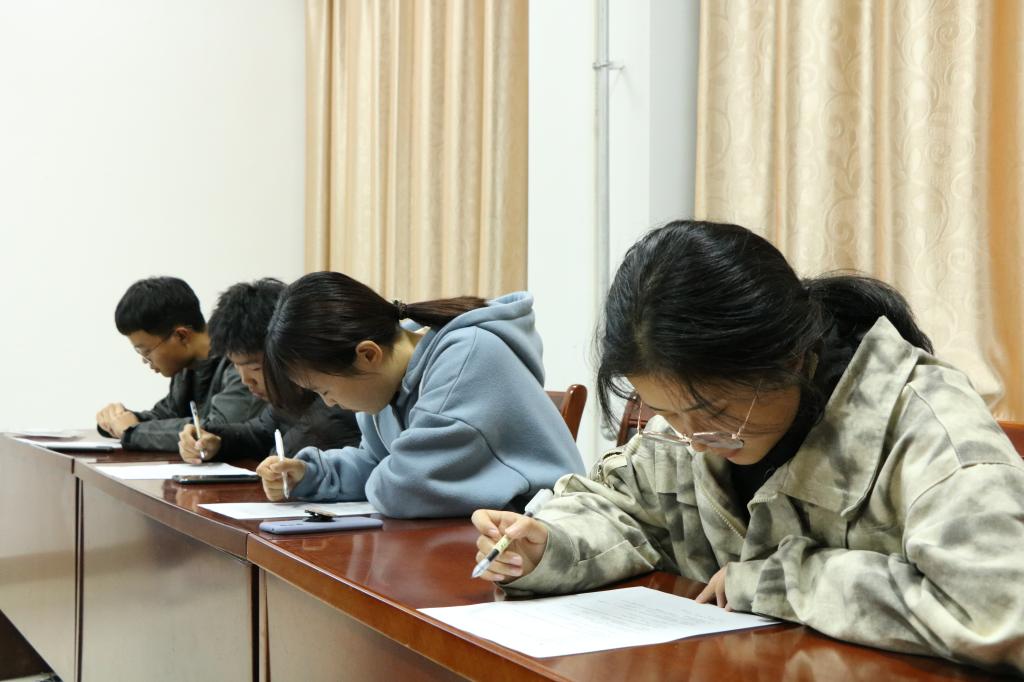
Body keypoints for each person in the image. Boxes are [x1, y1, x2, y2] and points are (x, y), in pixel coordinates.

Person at [470, 220, 1024, 673]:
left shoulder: (922, 426)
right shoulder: (689, 427)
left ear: (790, 357)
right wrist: (547, 546)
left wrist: (784, 580)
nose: (693, 441)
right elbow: (623, 506)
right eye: (665, 412)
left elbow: (1000, 615)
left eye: (713, 411)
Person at [254, 271, 585, 518]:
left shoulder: (466, 358)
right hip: (487, 530)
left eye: (324, 390)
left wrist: (384, 474)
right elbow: (378, 463)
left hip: (545, 531)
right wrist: (310, 474)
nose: (328, 402)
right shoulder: (389, 385)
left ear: (367, 354)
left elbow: (406, 484)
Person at [177, 278, 362, 463]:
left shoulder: (333, 408)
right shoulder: (290, 398)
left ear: (285, 348)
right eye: (235, 365)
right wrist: (211, 439)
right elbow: (259, 432)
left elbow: (281, 461)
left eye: (254, 368)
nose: (245, 380)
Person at [96, 276, 263, 451]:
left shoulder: (241, 361)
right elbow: (166, 415)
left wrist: (133, 431)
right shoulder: (187, 367)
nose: (144, 360)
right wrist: (118, 419)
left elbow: (216, 430)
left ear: (181, 336)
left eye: (146, 351)